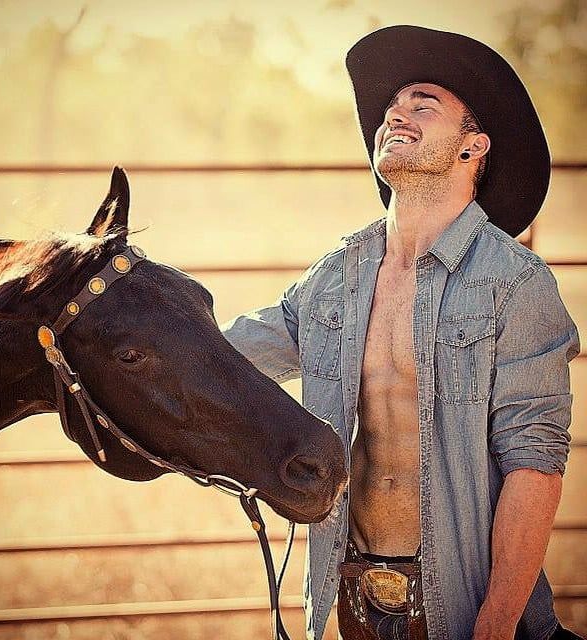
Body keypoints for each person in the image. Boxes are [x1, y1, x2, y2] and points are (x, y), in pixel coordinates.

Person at [221, 26, 582, 640]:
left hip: (462, 609)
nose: (396, 115)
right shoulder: (334, 278)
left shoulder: (513, 282)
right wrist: (115, 310)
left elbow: (534, 463)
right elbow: (226, 359)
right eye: (393, 108)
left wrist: (495, 626)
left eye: (423, 104)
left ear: (474, 147)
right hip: (350, 604)